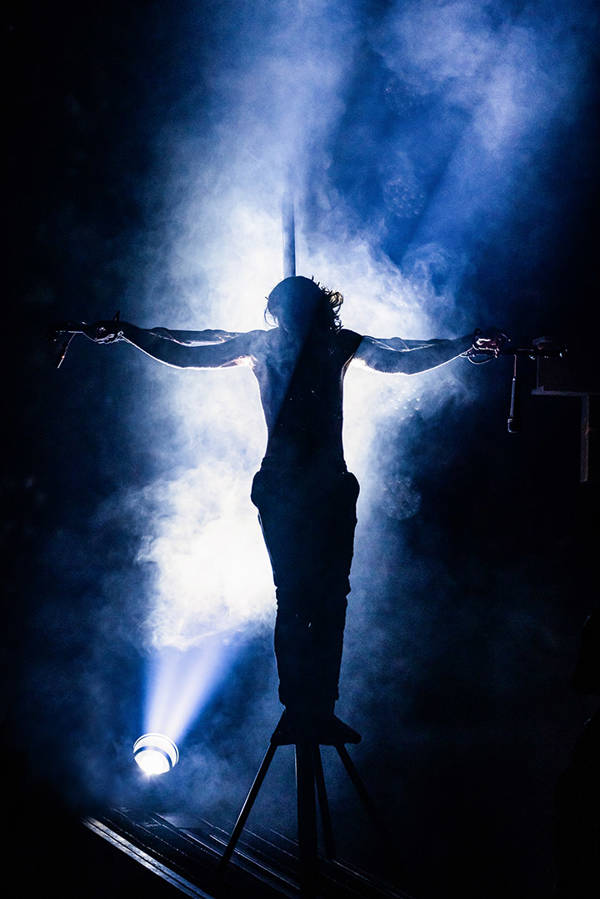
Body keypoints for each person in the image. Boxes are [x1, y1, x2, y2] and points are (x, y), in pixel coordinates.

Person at [57, 276, 500, 740]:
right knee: (297, 596)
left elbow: (403, 357)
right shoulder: (266, 346)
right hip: (288, 485)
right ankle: (301, 708)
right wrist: (131, 333)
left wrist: (462, 344)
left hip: (326, 485)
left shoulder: (336, 345)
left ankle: (318, 708)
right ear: (279, 312)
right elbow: (188, 349)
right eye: (286, 310)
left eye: (298, 309)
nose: (292, 318)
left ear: (314, 310)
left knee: (326, 597)